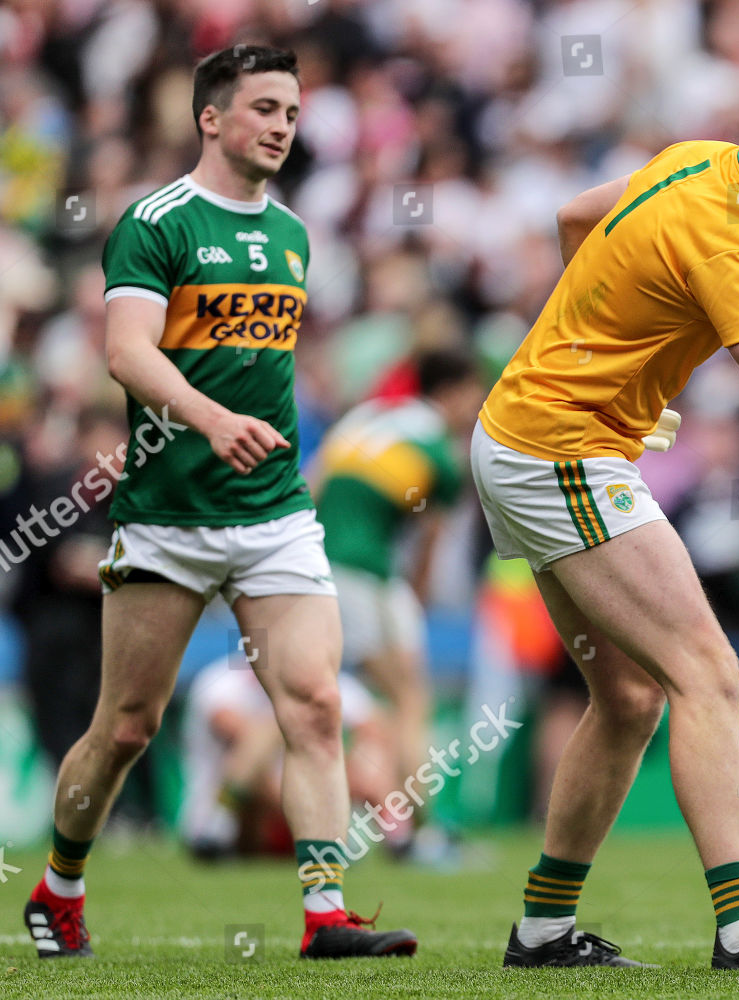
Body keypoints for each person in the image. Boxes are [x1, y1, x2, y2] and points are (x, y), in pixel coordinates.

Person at [471, 55, 739, 968]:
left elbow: (574, 217)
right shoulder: (732, 248)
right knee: (707, 673)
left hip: (525, 434)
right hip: (558, 449)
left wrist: (604, 356)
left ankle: (544, 931)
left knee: (629, 698)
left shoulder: (690, 159)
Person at [23, 45, 416, 960]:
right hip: (167, 517)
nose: (283, 126)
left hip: (275, 511)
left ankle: (326, 915)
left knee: (316, 703)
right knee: (126, 728)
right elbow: (127, 352)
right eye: (266, 108)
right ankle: (59, 887)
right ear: (211, 116)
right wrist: (210, 418)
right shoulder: (154, 221)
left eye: (292, 111)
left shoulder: (293, 235)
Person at [311, 347, 484, 856]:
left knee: (329, 694)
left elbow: (313, 482)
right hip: (364, 572)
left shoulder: (366, 415)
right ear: (452, 393)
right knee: (410, 698)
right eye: (473, 395)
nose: (475, 408)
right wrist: (417, 601)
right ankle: (422, 833)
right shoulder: (439, 451)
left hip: (314, 564)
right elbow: (429, 544)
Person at [181, 653, 390, 861]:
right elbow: (231, 730)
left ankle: (397, 836)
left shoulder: (321, 680)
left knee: (368, 753)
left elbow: (374, 729)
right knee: (277, 727)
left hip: (297, 815)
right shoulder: (224, 680)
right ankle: (217, 823)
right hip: (247, 822)